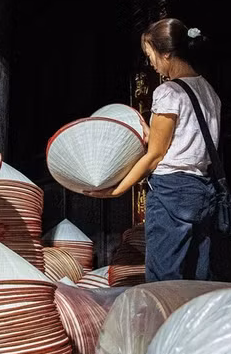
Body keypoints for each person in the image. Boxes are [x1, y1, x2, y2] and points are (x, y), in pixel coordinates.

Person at [87, 18, 221, 281]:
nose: (151, 63)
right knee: (197, 278)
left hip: (172, 190)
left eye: (150, 56)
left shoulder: (168, 91)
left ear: (167, 53)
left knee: (164, 279)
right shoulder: (209, 91)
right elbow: (190, 141)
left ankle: (164, 323)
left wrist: (118, 189)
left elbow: (156, 156)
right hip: (203, 191)